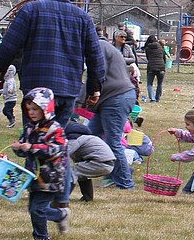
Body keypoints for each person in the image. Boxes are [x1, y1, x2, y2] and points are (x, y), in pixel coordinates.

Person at [0, 0, 105, 212]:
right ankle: (61, 196)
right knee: (57, 142)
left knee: (33, 138)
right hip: (66, 90)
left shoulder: (31, 10)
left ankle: (34, 191)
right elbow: (95, 57)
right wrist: (94, 88)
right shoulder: (82, 18)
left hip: (36, 89)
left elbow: (9, 45)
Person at [11, 88, 70, 240]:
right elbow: (25, 149)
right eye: (29, 109)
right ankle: (60, 215)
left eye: (35, 109)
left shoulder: (55, 128)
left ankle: (41, 238)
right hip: (33, 175)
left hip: (51, 176)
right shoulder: (29, 128)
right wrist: (19, 148)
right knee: (33, 209)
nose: (31, 112)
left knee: (38, 209)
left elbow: (56, 149)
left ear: (46, 108)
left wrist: (33, 148)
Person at [89, 32, 137, 190]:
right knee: (89, 135)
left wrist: (85, 96)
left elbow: (97, 74)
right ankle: (112, 172)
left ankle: (125, 182)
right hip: (110, 99)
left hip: (116, 98)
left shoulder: (99, 47)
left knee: (113, 141)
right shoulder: (104, 47)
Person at [64, 120, 115, 202]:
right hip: (106, 163)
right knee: (81, 174)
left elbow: (63, 154)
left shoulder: (74, 138)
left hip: (101, 163)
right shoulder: (83, 136)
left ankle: (62, 199)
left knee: (72, 172)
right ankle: (87, 198)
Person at [144, 35, 166, 102]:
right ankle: (157, 98)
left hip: (151, 67)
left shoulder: (148, 48)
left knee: (149, 84)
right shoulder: (161, 48)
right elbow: (164, 58)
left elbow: (148, 58)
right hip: (161, 67)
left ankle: (152, 98)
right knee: (160, 83)